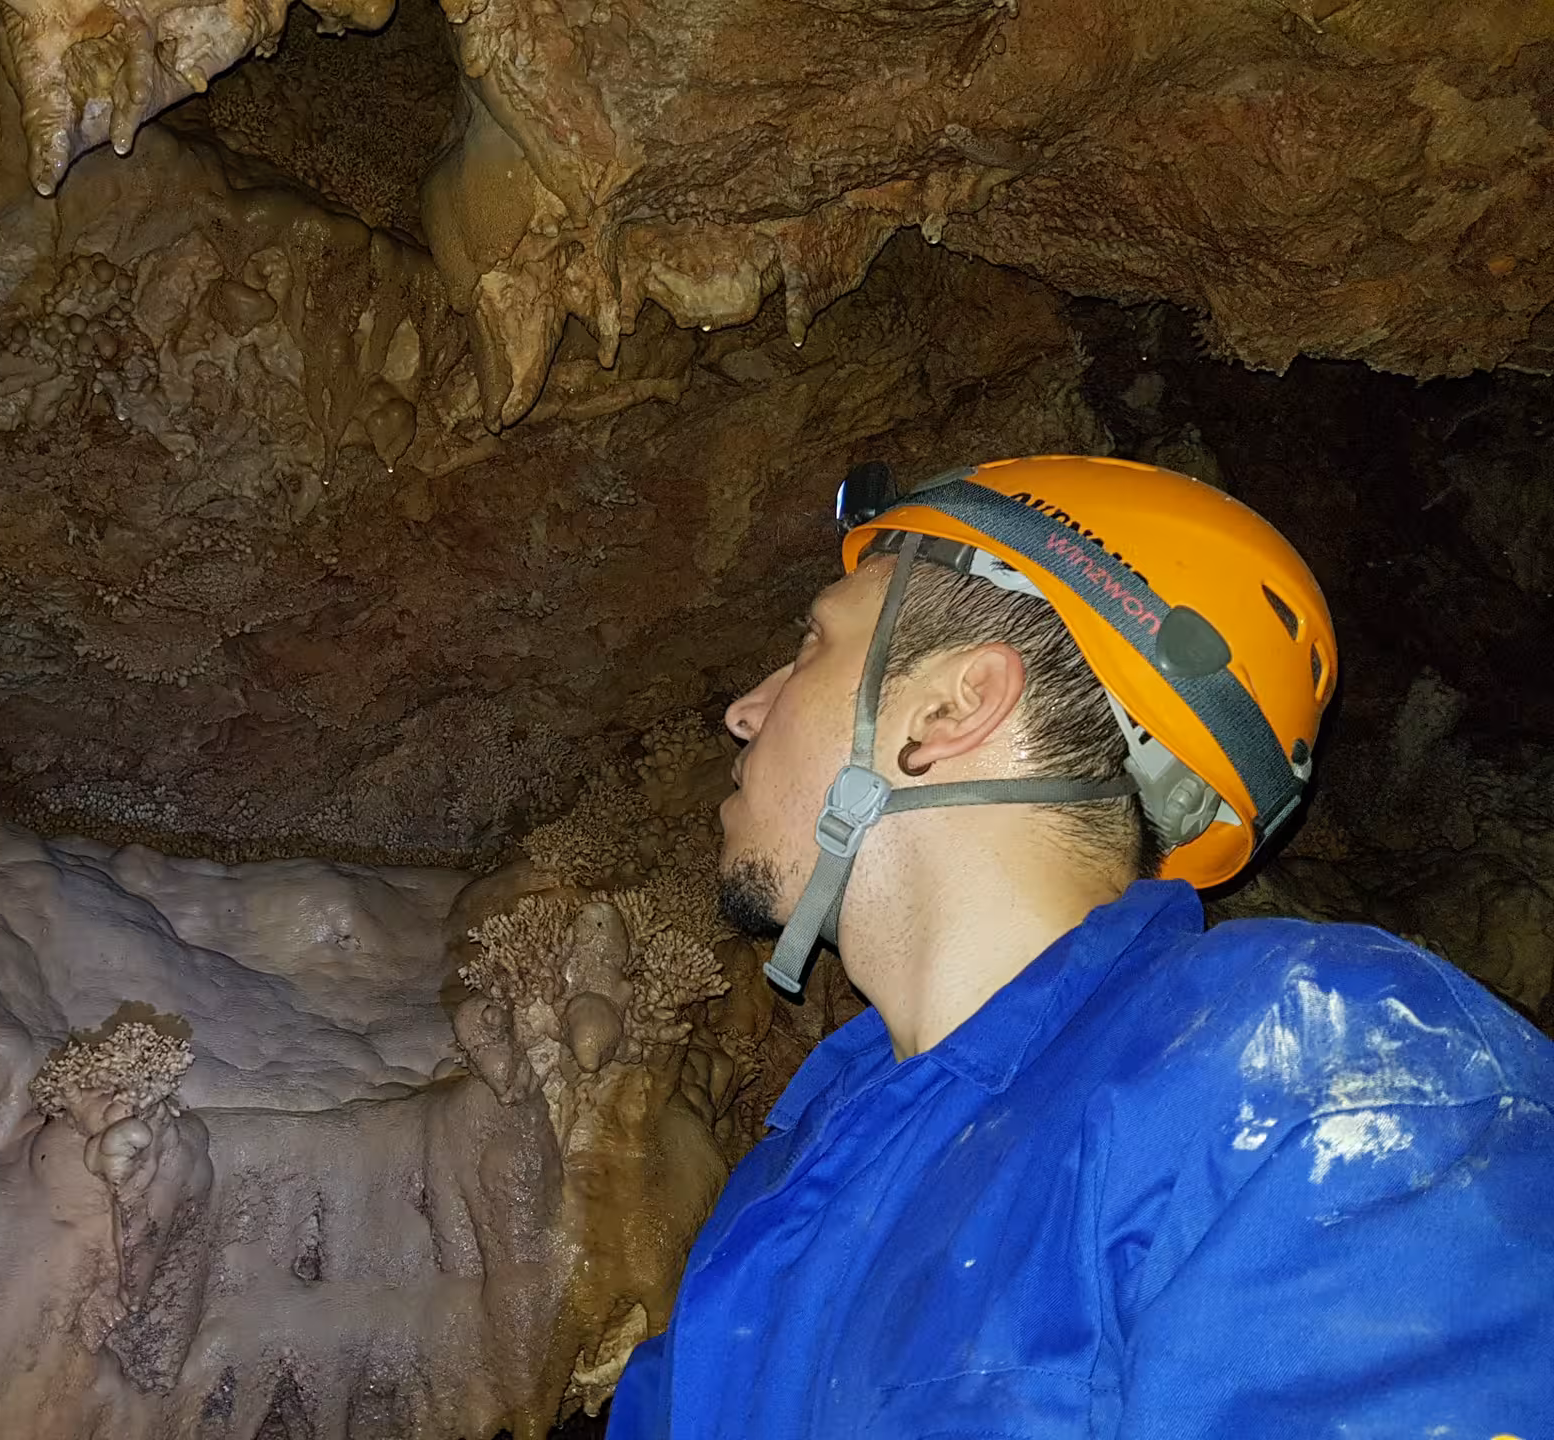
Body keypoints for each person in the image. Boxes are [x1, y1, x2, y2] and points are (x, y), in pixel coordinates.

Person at [607, 454, 1554, 1439]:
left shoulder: (1314, 1065)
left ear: (952, 709)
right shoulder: (777, 1197)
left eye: (809, 647)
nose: (744, 708)